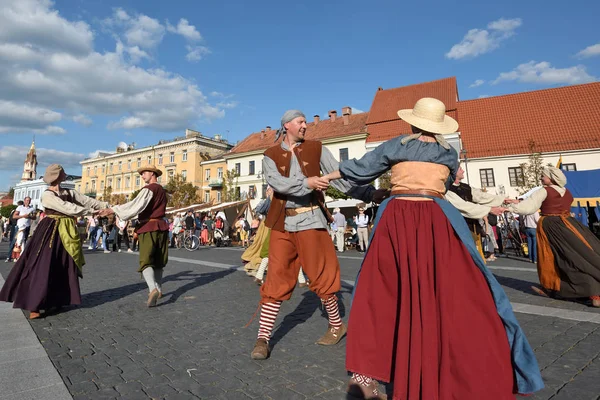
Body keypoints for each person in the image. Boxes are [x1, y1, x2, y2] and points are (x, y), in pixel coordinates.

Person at [323, 98, 543, 399]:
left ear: (413, 122)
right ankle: (452, 362)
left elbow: (361, 169)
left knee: (378, 292)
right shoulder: (449, 153)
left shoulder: (397, 144)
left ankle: (364, 376)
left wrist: (327, 176)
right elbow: (447, 182)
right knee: (455, 291)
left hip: (397, 219)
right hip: (437, 219)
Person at [249, 109, 383, 361]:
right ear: (287, 125)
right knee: (276, 277)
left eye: (305, 122)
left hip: (311, 218)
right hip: (282, 223)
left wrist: (368, 194)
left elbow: (340, 180)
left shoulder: (317, 148)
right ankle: (263, 337)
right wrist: (308, 183)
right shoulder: (270, 155)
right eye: (300, 122)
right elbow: (277, 184)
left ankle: (336, 325)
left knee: (321, 275)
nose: (305, 126)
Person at [0, 164, 109, 319]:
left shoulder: (69, 192)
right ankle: (34, 304)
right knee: (42, 264)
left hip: (68, 231)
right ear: (58, 175)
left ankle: (58, 299)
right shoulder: (47, 195)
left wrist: (107, 207)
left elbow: (87, 201)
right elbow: (66, 207)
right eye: (63, 172)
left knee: (64, 264)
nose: (65, 174)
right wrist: (93, 212)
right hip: (50, 230)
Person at [509, 167, 600, 307]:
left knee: (553, 257)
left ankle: (556, 287)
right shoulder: (567, 192)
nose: (541, 178)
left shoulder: (544, 190)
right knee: (581, 253)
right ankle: (588, 291)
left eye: (543, 176)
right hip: (569, 223)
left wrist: (509, 208)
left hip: (551, 225)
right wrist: (519, 202)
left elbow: (529, 208)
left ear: (551, 178)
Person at [99, 165, 169, 308]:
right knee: (158, 260)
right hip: (162, 227)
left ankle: (152, 289)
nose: (142, 176)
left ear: (153, 174)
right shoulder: (162, 191)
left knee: (146, 260)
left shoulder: (149, 189)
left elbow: (135, 206)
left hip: (148, 227)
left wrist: (113, 209)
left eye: (144, 173)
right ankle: (160, 289)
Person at [445, 166, 515, 260]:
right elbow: (463, 206)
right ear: (453, 172)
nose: (463, 170)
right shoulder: (446, 189)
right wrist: (489, 209)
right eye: (460, 169)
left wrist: (502, 199)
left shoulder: (466, 187)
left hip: (472, 226)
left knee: (474, 255)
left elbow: (482, 197)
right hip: (456, 227)